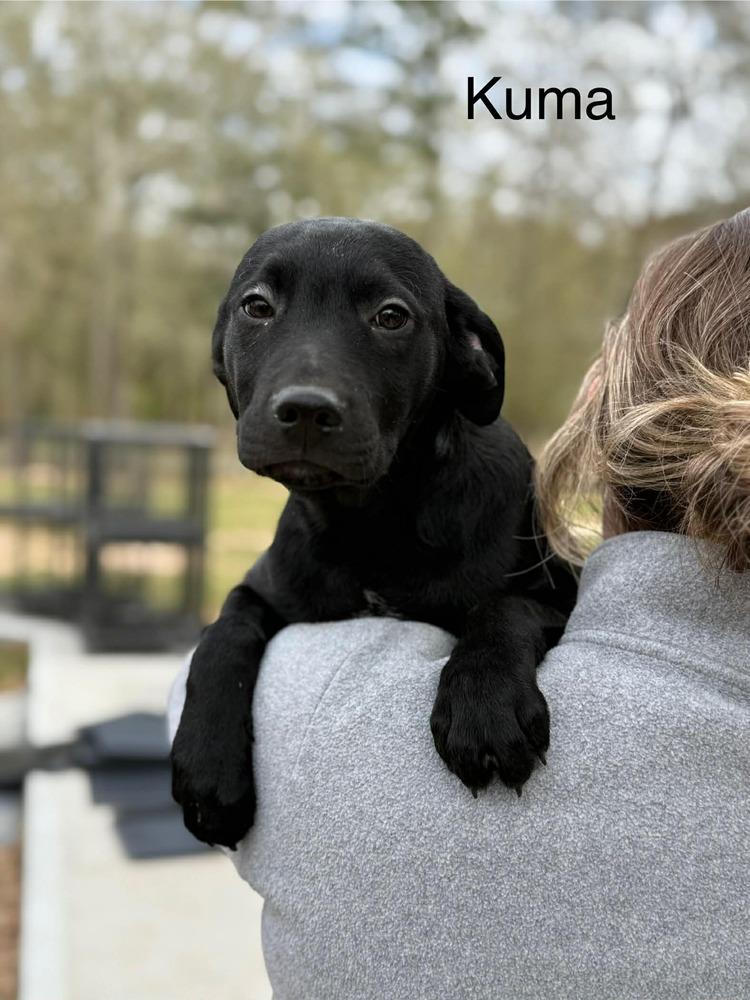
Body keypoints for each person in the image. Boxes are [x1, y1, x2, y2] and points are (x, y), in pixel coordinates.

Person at [168, 210, 750, 1000]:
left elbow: (546, 597)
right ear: (221, 349)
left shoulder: (497, 519)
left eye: (388, 317)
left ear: (465, 356)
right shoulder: (307, 536)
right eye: (259, 308)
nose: (308, 386)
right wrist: (225, 651)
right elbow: (259, 599)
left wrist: (501, 629)